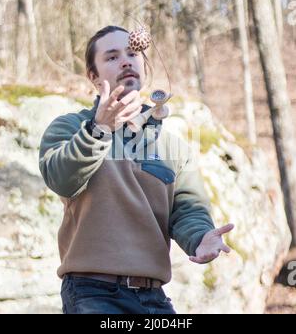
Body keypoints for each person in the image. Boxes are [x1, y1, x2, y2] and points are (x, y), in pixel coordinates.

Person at [39, 25, 234, 314]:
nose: (126, 61)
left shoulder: (172, 146)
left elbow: (188, 209)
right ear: (93, 77)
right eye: (112, 57)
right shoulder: (69, 128)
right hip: (93, 293)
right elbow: (61, 178)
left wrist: (200, 237)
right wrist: (99, 130)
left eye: (133, 53)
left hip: (155, 298)